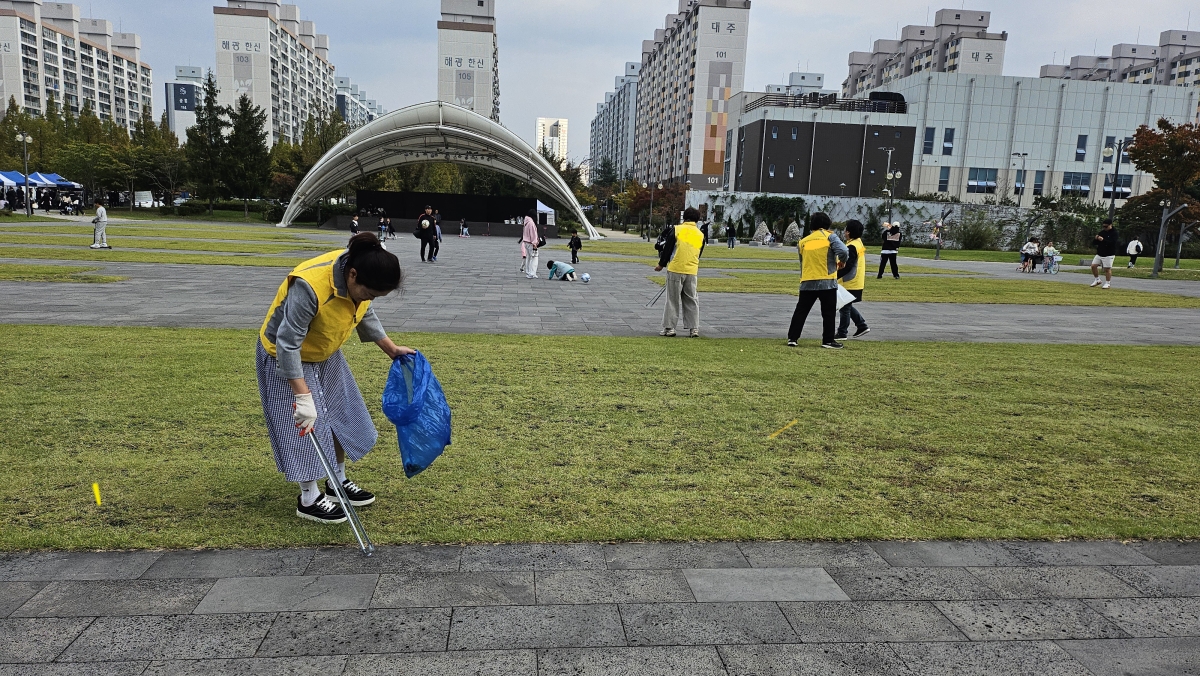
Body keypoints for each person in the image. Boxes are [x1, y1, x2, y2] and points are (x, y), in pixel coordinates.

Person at [257, 232, 414, 523]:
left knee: (339, 413)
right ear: (352, 275)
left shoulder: (359, 279)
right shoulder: (311, 286)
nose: (369, 299)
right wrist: (302, 396)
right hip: (285, 355)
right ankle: (309, 497)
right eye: (368, 293)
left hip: (325, 352)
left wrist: (390, 349)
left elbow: (364, 312)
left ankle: (336, 482)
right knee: (306, 423)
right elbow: (287, 343)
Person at [788, 212, 849, 349]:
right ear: (827, 224)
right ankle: (827, 340)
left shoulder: (804, 241)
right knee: (828, 312)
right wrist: (842, 262)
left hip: (807, 279)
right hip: (827, 280)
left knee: (801, 310)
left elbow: (802, 262)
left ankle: (793, 338)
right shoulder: (830, 237)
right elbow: (844, 251)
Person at [655, 207, 706, 338]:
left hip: (676, 268)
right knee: (691, 299)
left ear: (685, 217)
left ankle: (669, 328)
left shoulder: (677, 230)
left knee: (672, 299)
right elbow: (698, 252)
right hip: (692, 270)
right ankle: (694, 329)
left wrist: (661, 264)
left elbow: (668, 248)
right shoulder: (700, 234)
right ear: (697, 219)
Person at [833, 220, 870, 340]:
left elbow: (848, 266)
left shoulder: (851, 246)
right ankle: (861, 325)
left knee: (844, 307)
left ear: (848, 232)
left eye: (845, 230)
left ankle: (842, 332)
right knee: (846, 305)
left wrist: (835, 276)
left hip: (849, 282)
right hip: (856, 280)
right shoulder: (858, 242)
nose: (844, 232)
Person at [1091, 218, 1120, 289]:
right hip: (1100, 253)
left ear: (1110, 225)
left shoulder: (1114, 233)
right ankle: (1097, 279)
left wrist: (1103, 240)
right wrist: (1096, 238)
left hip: (1109, 254)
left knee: (1107, 269)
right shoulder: (1102, 232)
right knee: (1093, 266)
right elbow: (1094, 243)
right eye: (1103, 226)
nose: (1104, 228)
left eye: (1106, 226)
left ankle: (1107, 283)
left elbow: (1112, 243)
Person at [522, 209, 541, 278]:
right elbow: (533, 234)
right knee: (534, 258)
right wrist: (535, 243)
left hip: (526, 242)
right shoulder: (531, 223)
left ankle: (528, 271)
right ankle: (532, 273)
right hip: (531, 243)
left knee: (528, 258)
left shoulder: (526, 222)